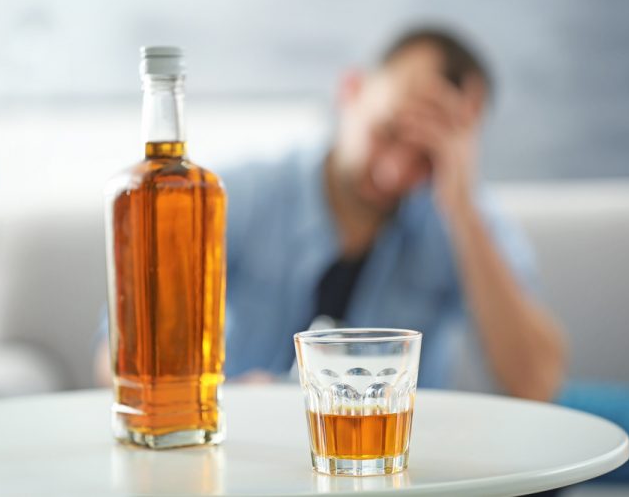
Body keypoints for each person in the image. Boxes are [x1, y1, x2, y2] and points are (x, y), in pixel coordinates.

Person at [96, 28, 566, 401]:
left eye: (427, 156)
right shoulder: (236, 196)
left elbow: (537, 383)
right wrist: (221, 401)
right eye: (389, 131)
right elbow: (117, 359)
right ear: (352, 90)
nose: (395, 172)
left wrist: (462, 209)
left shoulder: (461, 219)